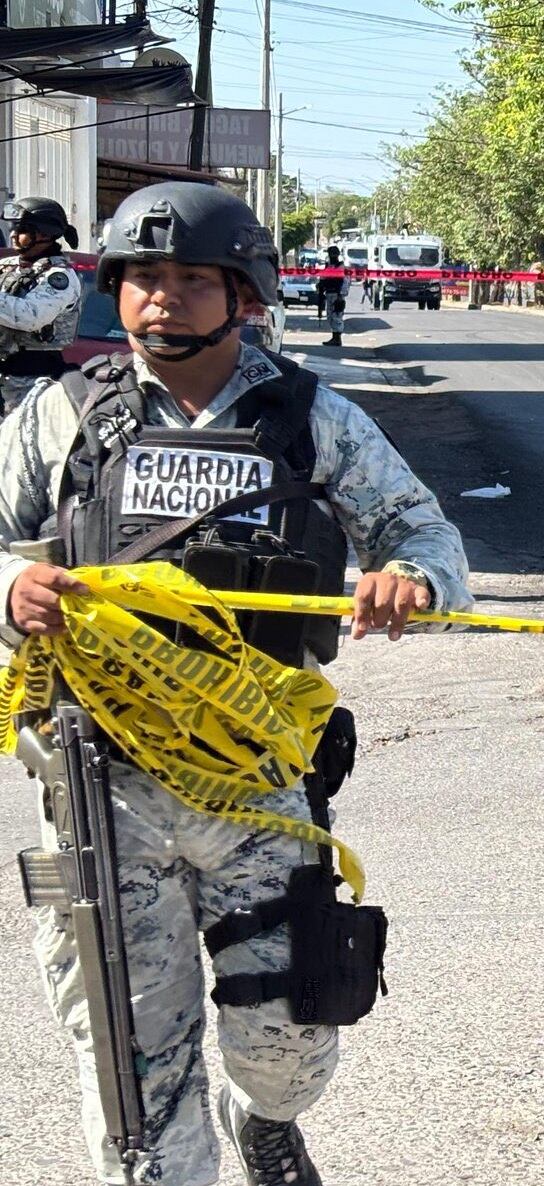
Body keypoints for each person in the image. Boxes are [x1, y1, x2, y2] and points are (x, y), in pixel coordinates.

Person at [2, 182, 471, 1186]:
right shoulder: (63, 417)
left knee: (288, 1043)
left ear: (245, 294)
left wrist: (411, 575)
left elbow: (423, 530)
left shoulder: (310, 418)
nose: (162, 298)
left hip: (257, 777)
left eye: (191, 279)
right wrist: (13, 584)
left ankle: (265, 1117)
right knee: (131, 1065)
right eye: (142, 279)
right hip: (101, 780)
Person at [0, 196, 84, 413]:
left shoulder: (60, 278)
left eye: (21, 230)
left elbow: (31, 317)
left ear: (44, 234)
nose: (12, 235)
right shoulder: (7, 267)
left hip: (32, 381)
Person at [315, 243, 348, 348]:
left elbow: (342, 282)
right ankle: (334, 337)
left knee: (336, 316)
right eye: (330, 254)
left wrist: (340, 295)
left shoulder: (340, 267)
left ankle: (337, 338)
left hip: (337, 295)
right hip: (329, 293)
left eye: (333, 254)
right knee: (330, 316)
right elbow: (323, 279)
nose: (332, 256)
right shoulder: (329, 266)